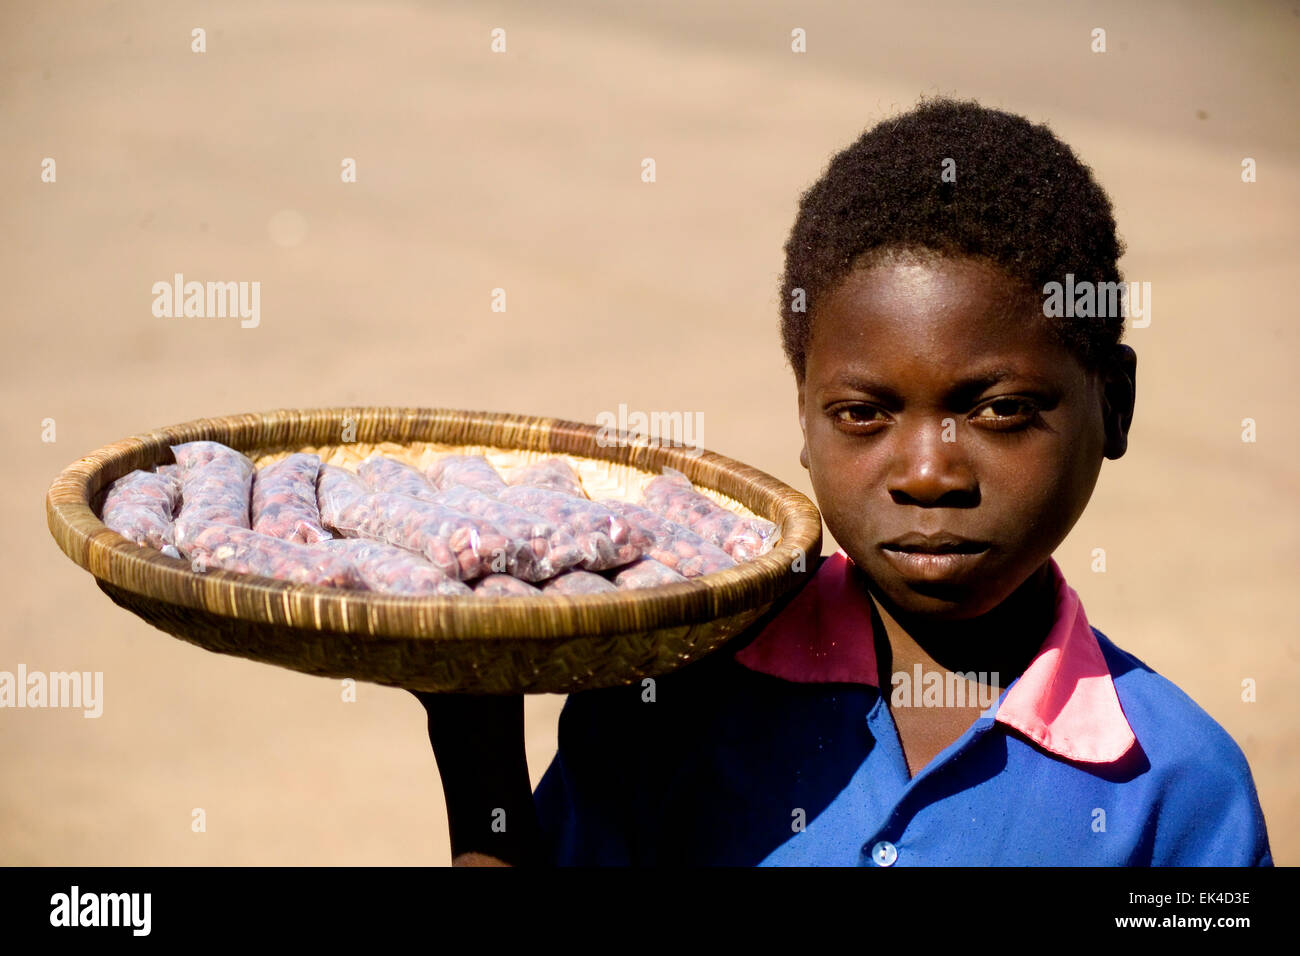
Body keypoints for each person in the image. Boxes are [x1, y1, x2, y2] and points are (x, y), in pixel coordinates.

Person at [412, 96, 1272, 867]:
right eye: (863, 414)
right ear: (804, 416)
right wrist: (478, 750)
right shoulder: (673, 689)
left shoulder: (1176, 790)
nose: (929, 472)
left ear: (1112, 405)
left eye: (1002, 409)